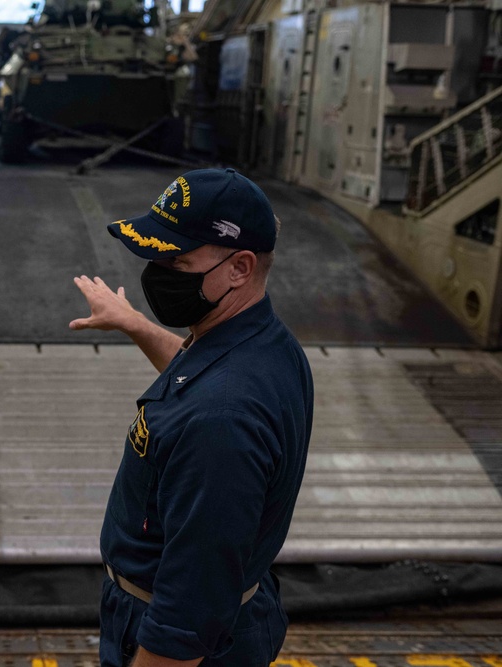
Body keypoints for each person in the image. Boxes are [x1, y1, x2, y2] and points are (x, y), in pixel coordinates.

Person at [70, 168, 313, 667]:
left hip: (169, 633)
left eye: (177, 262)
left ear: (240, 268)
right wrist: (135, 323)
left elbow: (189, 614)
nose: (158, 272)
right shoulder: (260, 343)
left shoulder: (221, 421)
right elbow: (198, 373)